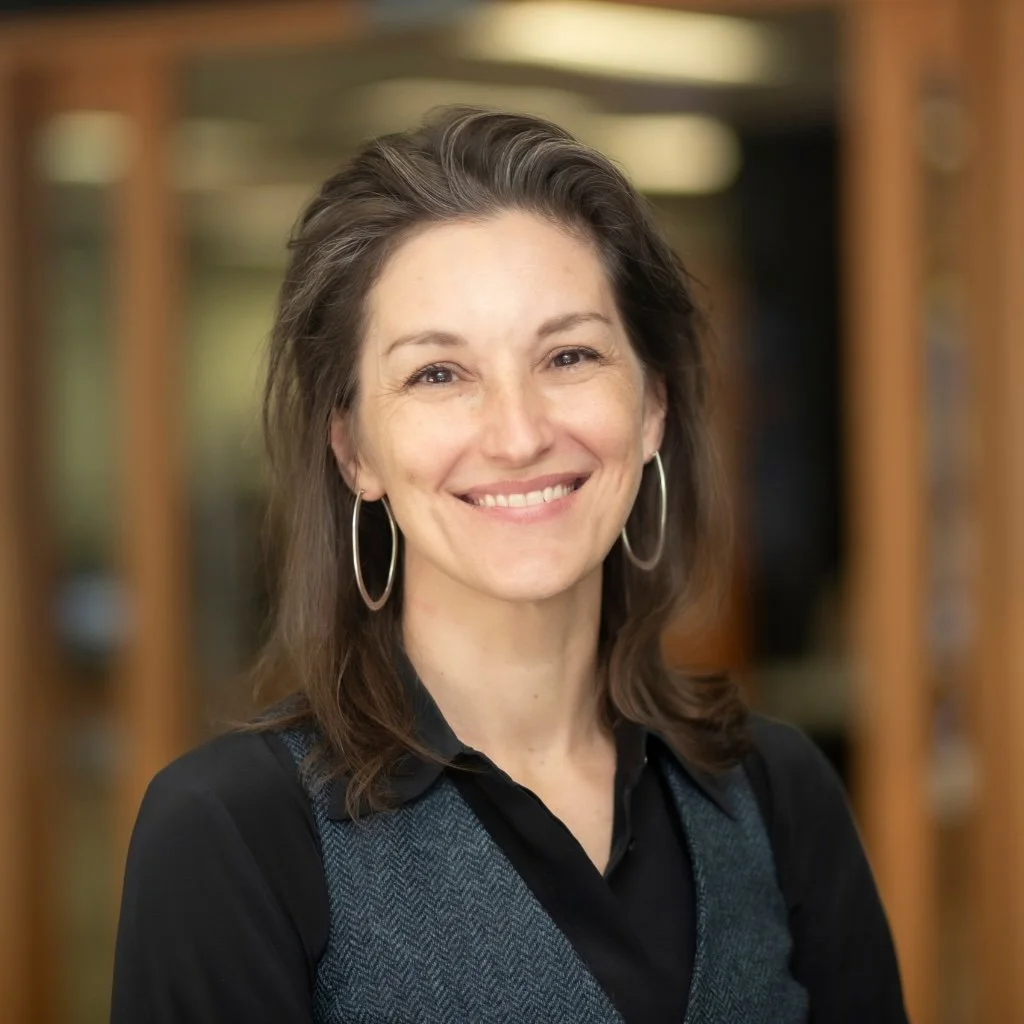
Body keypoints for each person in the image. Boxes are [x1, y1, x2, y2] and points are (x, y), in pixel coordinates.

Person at [110, 106, 907, 1024]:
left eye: (568, 355)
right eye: (438, 374)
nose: (520, 434)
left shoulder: (775, 790)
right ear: (354, 452)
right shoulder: (233, 831)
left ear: (651, 406)